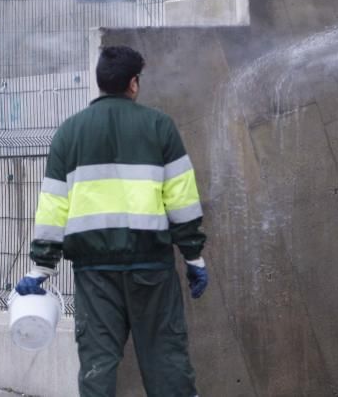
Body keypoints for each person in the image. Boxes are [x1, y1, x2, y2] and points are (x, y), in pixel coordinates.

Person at [16, 45, 209, 397]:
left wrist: (40, 269)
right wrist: (194, 257)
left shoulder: (69, 133)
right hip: (152, 270)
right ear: (133, 83)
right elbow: (182, 201)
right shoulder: (159, 126)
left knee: (97, 364)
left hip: (94, 273)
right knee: (166, 359)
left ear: (100, 82)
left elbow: (52, 207)